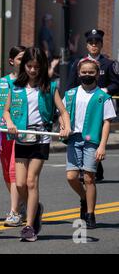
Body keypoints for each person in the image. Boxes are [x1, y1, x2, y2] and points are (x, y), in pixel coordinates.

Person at [3, 47, 71, 242]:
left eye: (36, 67)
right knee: (20, 183)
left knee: (32, 181)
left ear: (42, 67)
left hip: (41, 136)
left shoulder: (49, 87)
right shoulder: (15, 86)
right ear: (24, 66)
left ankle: (29, 226)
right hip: (22, 136)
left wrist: (65, 126)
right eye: (29, 66)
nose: (33, 70)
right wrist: (9, 123)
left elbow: (63, 112)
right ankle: (36, 208)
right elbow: (6, 111)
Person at [63, 57, 116, 229]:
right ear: (79, 73)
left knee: (89, 178)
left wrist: (102, 145)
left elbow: (107, 121)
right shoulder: (71, 94)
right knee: (71, 176)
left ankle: (90, 213)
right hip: (74, 138)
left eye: (91, 72)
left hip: (92, 141)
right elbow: (62, 113)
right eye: (84, 72)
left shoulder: (103, 97)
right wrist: (64, 126)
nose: (87, 75)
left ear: (97, 74)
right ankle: (84, 198)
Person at [67, 29, 119, 182]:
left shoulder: (109, 64)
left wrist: (106, 90)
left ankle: (92, 169)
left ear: (101, 45)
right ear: (87, 45)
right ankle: (92, 169)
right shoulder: (78, 63)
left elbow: (117, 83)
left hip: (100, 105)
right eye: (91, 42)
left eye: (97, 42)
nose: (94, 45)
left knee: (94, 136)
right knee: (84, 136)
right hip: (81, 104)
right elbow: (71, 85)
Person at [0, 46, 26, 227]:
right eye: (20, 58)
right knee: (6, 172)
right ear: (12, 61)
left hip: (20, 133)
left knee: (14, 171)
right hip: (2, 132)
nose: (23, 61)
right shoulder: (2, 82)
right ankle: (22, 204)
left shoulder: (29, 83)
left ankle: (14, 212)